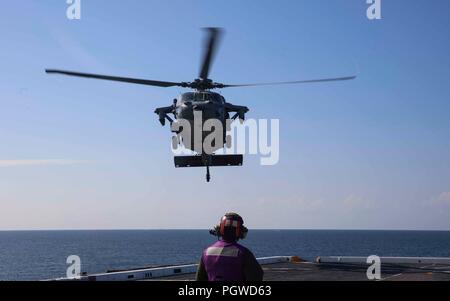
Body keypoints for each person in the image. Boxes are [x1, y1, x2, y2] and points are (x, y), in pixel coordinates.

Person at [196, 212, 264, 281]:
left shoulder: (206, 252)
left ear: (220, 229)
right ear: (240, 231)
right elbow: (257, 276)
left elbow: (199, 278)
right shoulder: (244, 253)